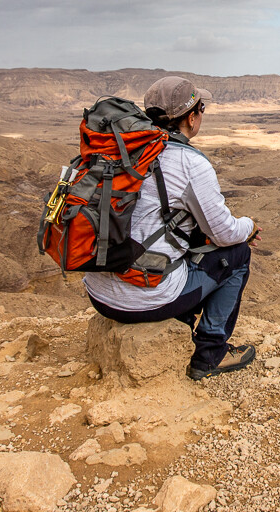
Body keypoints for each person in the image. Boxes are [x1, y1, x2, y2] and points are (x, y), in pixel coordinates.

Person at [82, 76, 259, 380]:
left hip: (99, 296)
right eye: (201, 109)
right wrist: (249, 226)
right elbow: (224, 232)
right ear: (191, 117)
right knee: (238, 254)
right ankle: (210, 355)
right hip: (143, 301)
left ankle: (181, 323)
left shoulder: (122, 149)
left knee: (189, 238)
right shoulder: (189, 162)